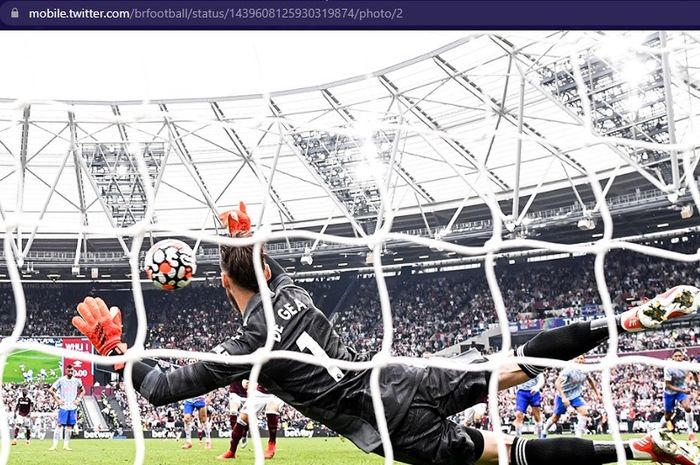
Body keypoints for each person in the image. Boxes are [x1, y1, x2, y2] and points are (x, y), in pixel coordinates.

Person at [70, 204, 700, 465]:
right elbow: (263, 269)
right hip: (397, 372)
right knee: (511, 364)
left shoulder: (243, 348)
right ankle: (622, 321)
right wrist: (246, 242)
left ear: (226, 283)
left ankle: (639, 449)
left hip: (387, 423)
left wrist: (119, 356)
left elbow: (161, 388)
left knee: (506, 455)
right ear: (266, 267)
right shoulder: (290, 291)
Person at [218, 379, 284, 460]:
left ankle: (271, 444)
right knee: (243, 418)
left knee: (271, 409)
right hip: (260, 391)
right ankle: (232, 451)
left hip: (278, 390)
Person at [541, 355, 600, 438]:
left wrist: (597, 393)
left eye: (581, 359)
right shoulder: (568, 370)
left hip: (575, 396)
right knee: (555, 418)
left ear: (584, 360)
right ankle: (544, 431)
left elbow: (590, 380)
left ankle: (578, 436)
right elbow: (557, 383)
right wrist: (564, 397)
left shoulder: (585, 370)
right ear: (574, 360)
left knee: (585, 413)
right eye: (578, 358)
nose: (580, 360)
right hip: (562, 395)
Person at [662, 349, 699, 442]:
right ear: (672, 358)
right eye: (676, 356)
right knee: (667, 417)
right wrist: (683, 390)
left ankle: (691, 433)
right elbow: (668, 385)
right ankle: (662, 428)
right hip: (669, 392)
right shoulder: (668, 368)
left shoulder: (687, 365)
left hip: (681, 390)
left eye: (680, 356)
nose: (678, 358)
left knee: (688, 408)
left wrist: (697, 384)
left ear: (683, 357)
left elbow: (694, 373)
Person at [48, 364, 84, 451]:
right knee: (59, 425)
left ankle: (66, 445)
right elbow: (50, 390)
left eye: (72, 371)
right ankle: (54, 445)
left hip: (72, 407)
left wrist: (78, 399)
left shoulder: (77, 381)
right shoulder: (61, 380)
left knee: (69, 427)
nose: (70, 372)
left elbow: (83, 390)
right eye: (69, 371)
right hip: (63, 407)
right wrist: (57, 400)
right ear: (66, 371)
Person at [512, 373, 544, 437]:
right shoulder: (520, 367)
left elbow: (541, 379)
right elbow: (512, 378)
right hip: (521, 392)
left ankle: (540, 438)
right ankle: (518, 439)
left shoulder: (535, 367)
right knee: (519, 414)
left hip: (534, 392)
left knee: (537, 416)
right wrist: (512, 392)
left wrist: (537, 387)